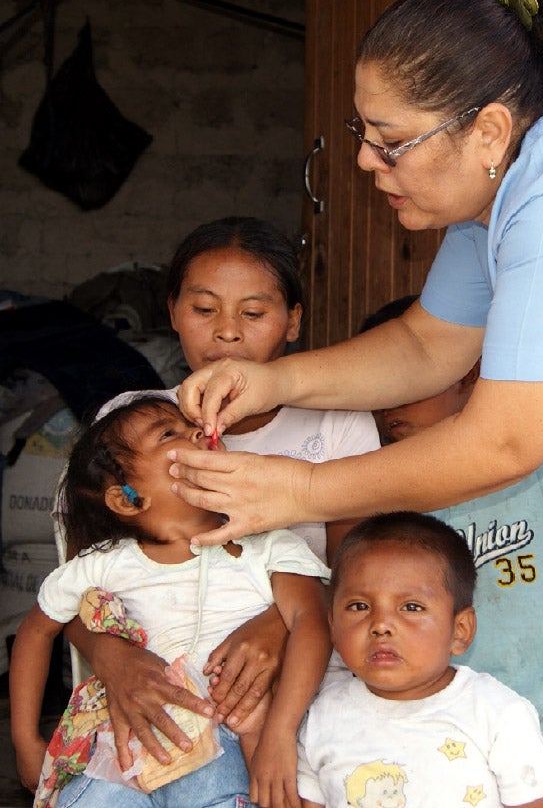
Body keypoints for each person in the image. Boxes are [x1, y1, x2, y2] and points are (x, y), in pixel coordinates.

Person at [165, 0, 543, 588]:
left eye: (392, 141)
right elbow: (427, 345)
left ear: (487, 132)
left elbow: (505, 442)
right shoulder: (498, 184)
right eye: (364, 133)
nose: (363, 160)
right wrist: (273, 381)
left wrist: (302, 489)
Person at [60, 216, 379, 768]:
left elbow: (360, 573)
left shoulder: (338, 425)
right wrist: (110, 656)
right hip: (160, 702)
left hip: (303, 695)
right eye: (204, 309)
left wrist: (282, 622)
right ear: (172, 313)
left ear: (293, 321)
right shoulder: (131, 426)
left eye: (253, 313)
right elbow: (76, 583)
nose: (227, 332)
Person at [358, 294, 543, 808]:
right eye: (378, 391)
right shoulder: (383, 476)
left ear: (469, 373)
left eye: (407, 386)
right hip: (437, 722)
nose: (389, 407)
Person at [11, 396, 331, 808]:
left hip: (234, 742)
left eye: (194, 427)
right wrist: (25, 740)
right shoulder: (105, 562)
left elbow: (312, 622)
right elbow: (36, 630)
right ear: (129, 499)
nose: (198, 432)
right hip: (129, 746)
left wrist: (280, 733)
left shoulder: (269, 545)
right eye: (169, 434)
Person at [296, 512, 543, 808]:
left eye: (411, 607)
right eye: (359, 606)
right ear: (332, 626)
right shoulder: (322, 718)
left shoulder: (496, 713)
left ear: (460, 631)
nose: (381, 625)